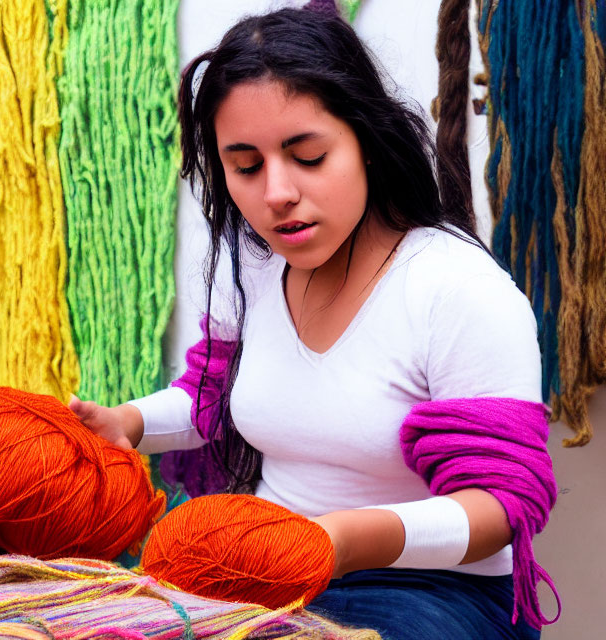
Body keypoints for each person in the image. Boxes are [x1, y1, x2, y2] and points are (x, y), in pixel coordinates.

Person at [69, 7, 551, 640]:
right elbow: (210, 399)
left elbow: (499, 507)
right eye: (245, 166)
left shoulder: (459, 290)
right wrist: (127, 423)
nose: (276, 194)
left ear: (367, 144)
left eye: (308, 157)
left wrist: (339, 540)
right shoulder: (250, 266)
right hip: (271, 571)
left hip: (433, 592)